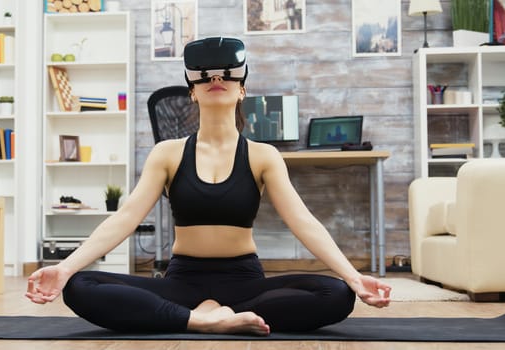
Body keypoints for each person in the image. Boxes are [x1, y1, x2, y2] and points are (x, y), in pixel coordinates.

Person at [26, 37, 391, 336]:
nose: (216, 79)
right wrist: (65, 268)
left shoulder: (263, 155)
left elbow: (303, 221)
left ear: (242, 89)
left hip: (244, 281)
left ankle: (207, 314)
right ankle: (202, 319)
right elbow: (125, 218)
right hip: (183, 279)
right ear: (193, 93)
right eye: (204, 77)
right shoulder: (166, 153)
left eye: (227, 75)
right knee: (79, 286)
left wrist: (354, 276)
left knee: (337, 294)